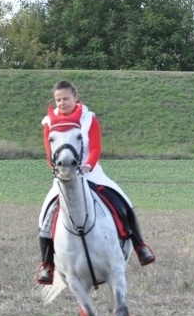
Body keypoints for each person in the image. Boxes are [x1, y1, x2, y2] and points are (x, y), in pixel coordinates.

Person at [35, 80, 155, 285]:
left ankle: (139, 246)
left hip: (90, 172)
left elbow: (96, 148)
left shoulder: (89, 119)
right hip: (63, 175)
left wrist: (87, 167)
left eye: (66, 98)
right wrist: (59, 170)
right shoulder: (49, 122)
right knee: (45, 214)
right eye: (58, 100)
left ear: (75, 97)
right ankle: (47, 264)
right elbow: (49, 153)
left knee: (123, 201)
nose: (62, 103)